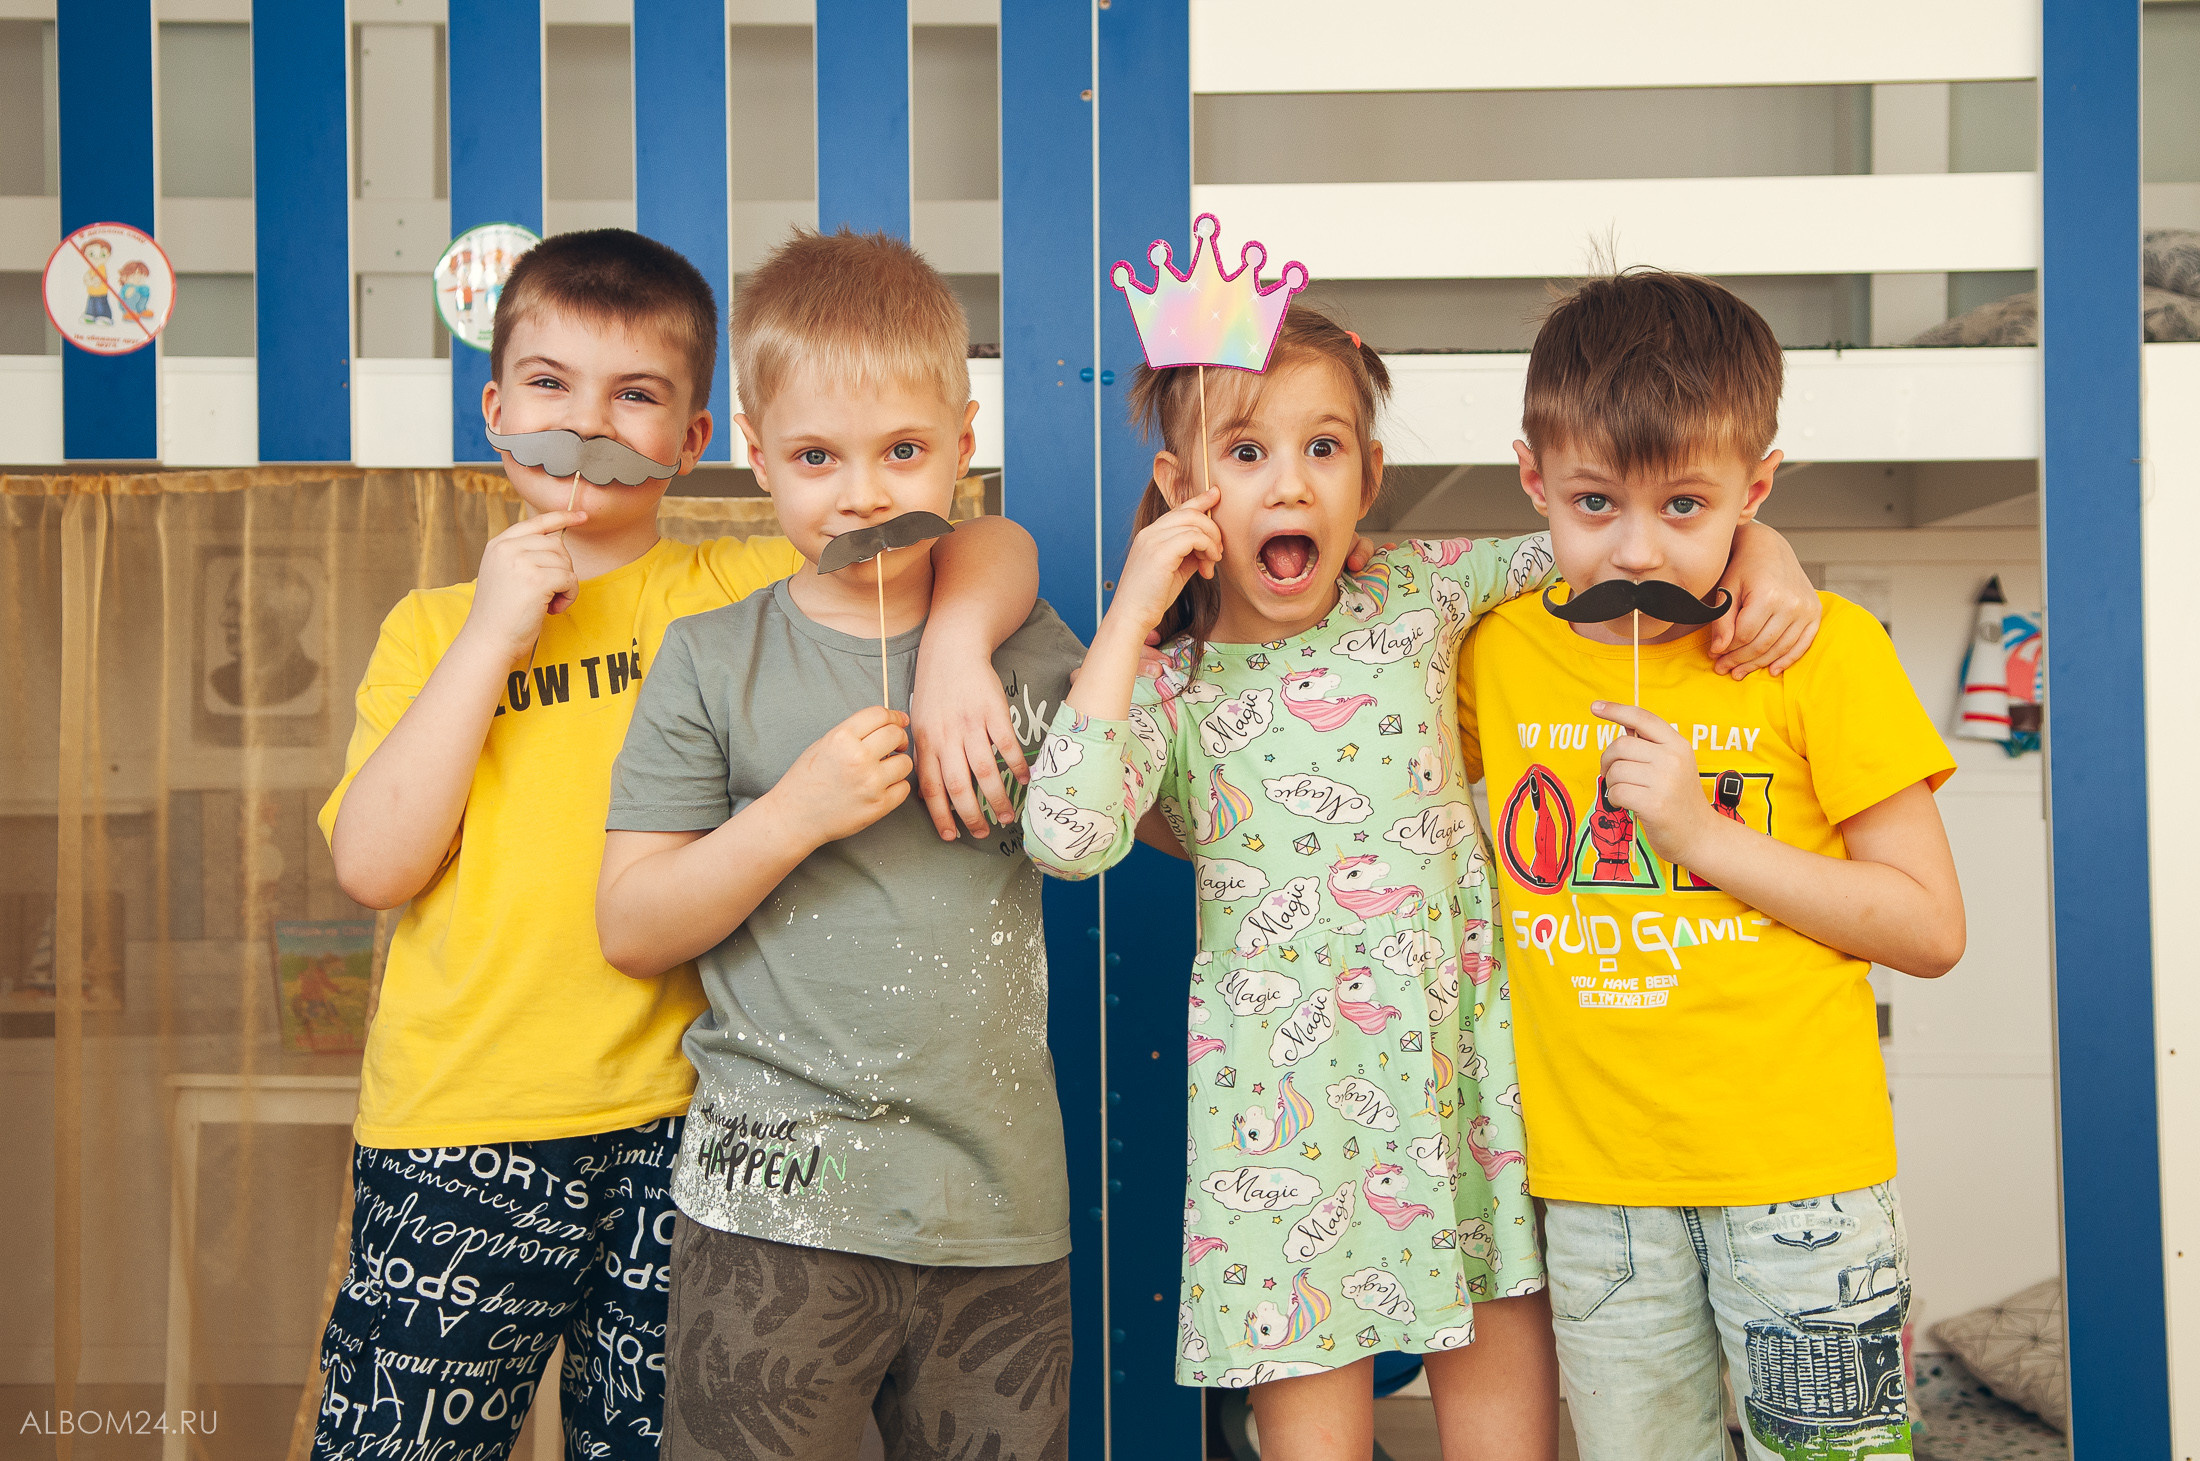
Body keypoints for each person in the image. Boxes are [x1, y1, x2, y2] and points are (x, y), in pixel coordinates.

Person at [1021, 301, 1819, 1460]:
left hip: (1464, 1094)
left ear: (1370, 474)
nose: (1288, 486)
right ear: (1183, 486)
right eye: (1245, 454)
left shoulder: (1422, 594)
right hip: (1282, 1140)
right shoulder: (1165, 682)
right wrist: (1135, 607)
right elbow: (1064, 834)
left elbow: (1610, 537)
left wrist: (1764, 545)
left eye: (1323, 448)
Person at [313, 228, 1040, 1461]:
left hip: (690, 1132)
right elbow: (376, 869)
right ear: (494, 410)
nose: (586, 424)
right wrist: (492, 635)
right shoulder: (429, 628)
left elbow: (983, 543)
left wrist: (961, 648)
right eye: (550, 385)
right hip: (457, 1121)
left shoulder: (741, 586)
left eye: (635, 395)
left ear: (701, 440)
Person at [594, 228, 1087, 1461]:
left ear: (964, 444)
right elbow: (630, 925)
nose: (861, 495)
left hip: (996, 1214)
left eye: (903, 452)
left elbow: (1138, 813)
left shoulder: (1021, 640)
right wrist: (792, 812)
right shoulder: (713, 661)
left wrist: (977, 651)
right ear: (756, 455)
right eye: (816, 456)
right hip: (771, 1212)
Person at [1458, 269, 1964, 1460]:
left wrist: (1703, 839)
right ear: (1531, 481)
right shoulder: (1492, 649)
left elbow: (1929, 928)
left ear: (1757, 487)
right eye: (1592, 503)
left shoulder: (1823, 652)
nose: (1639, 547)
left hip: (1804, 1184)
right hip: (1591, 1194)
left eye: (1687, 507)